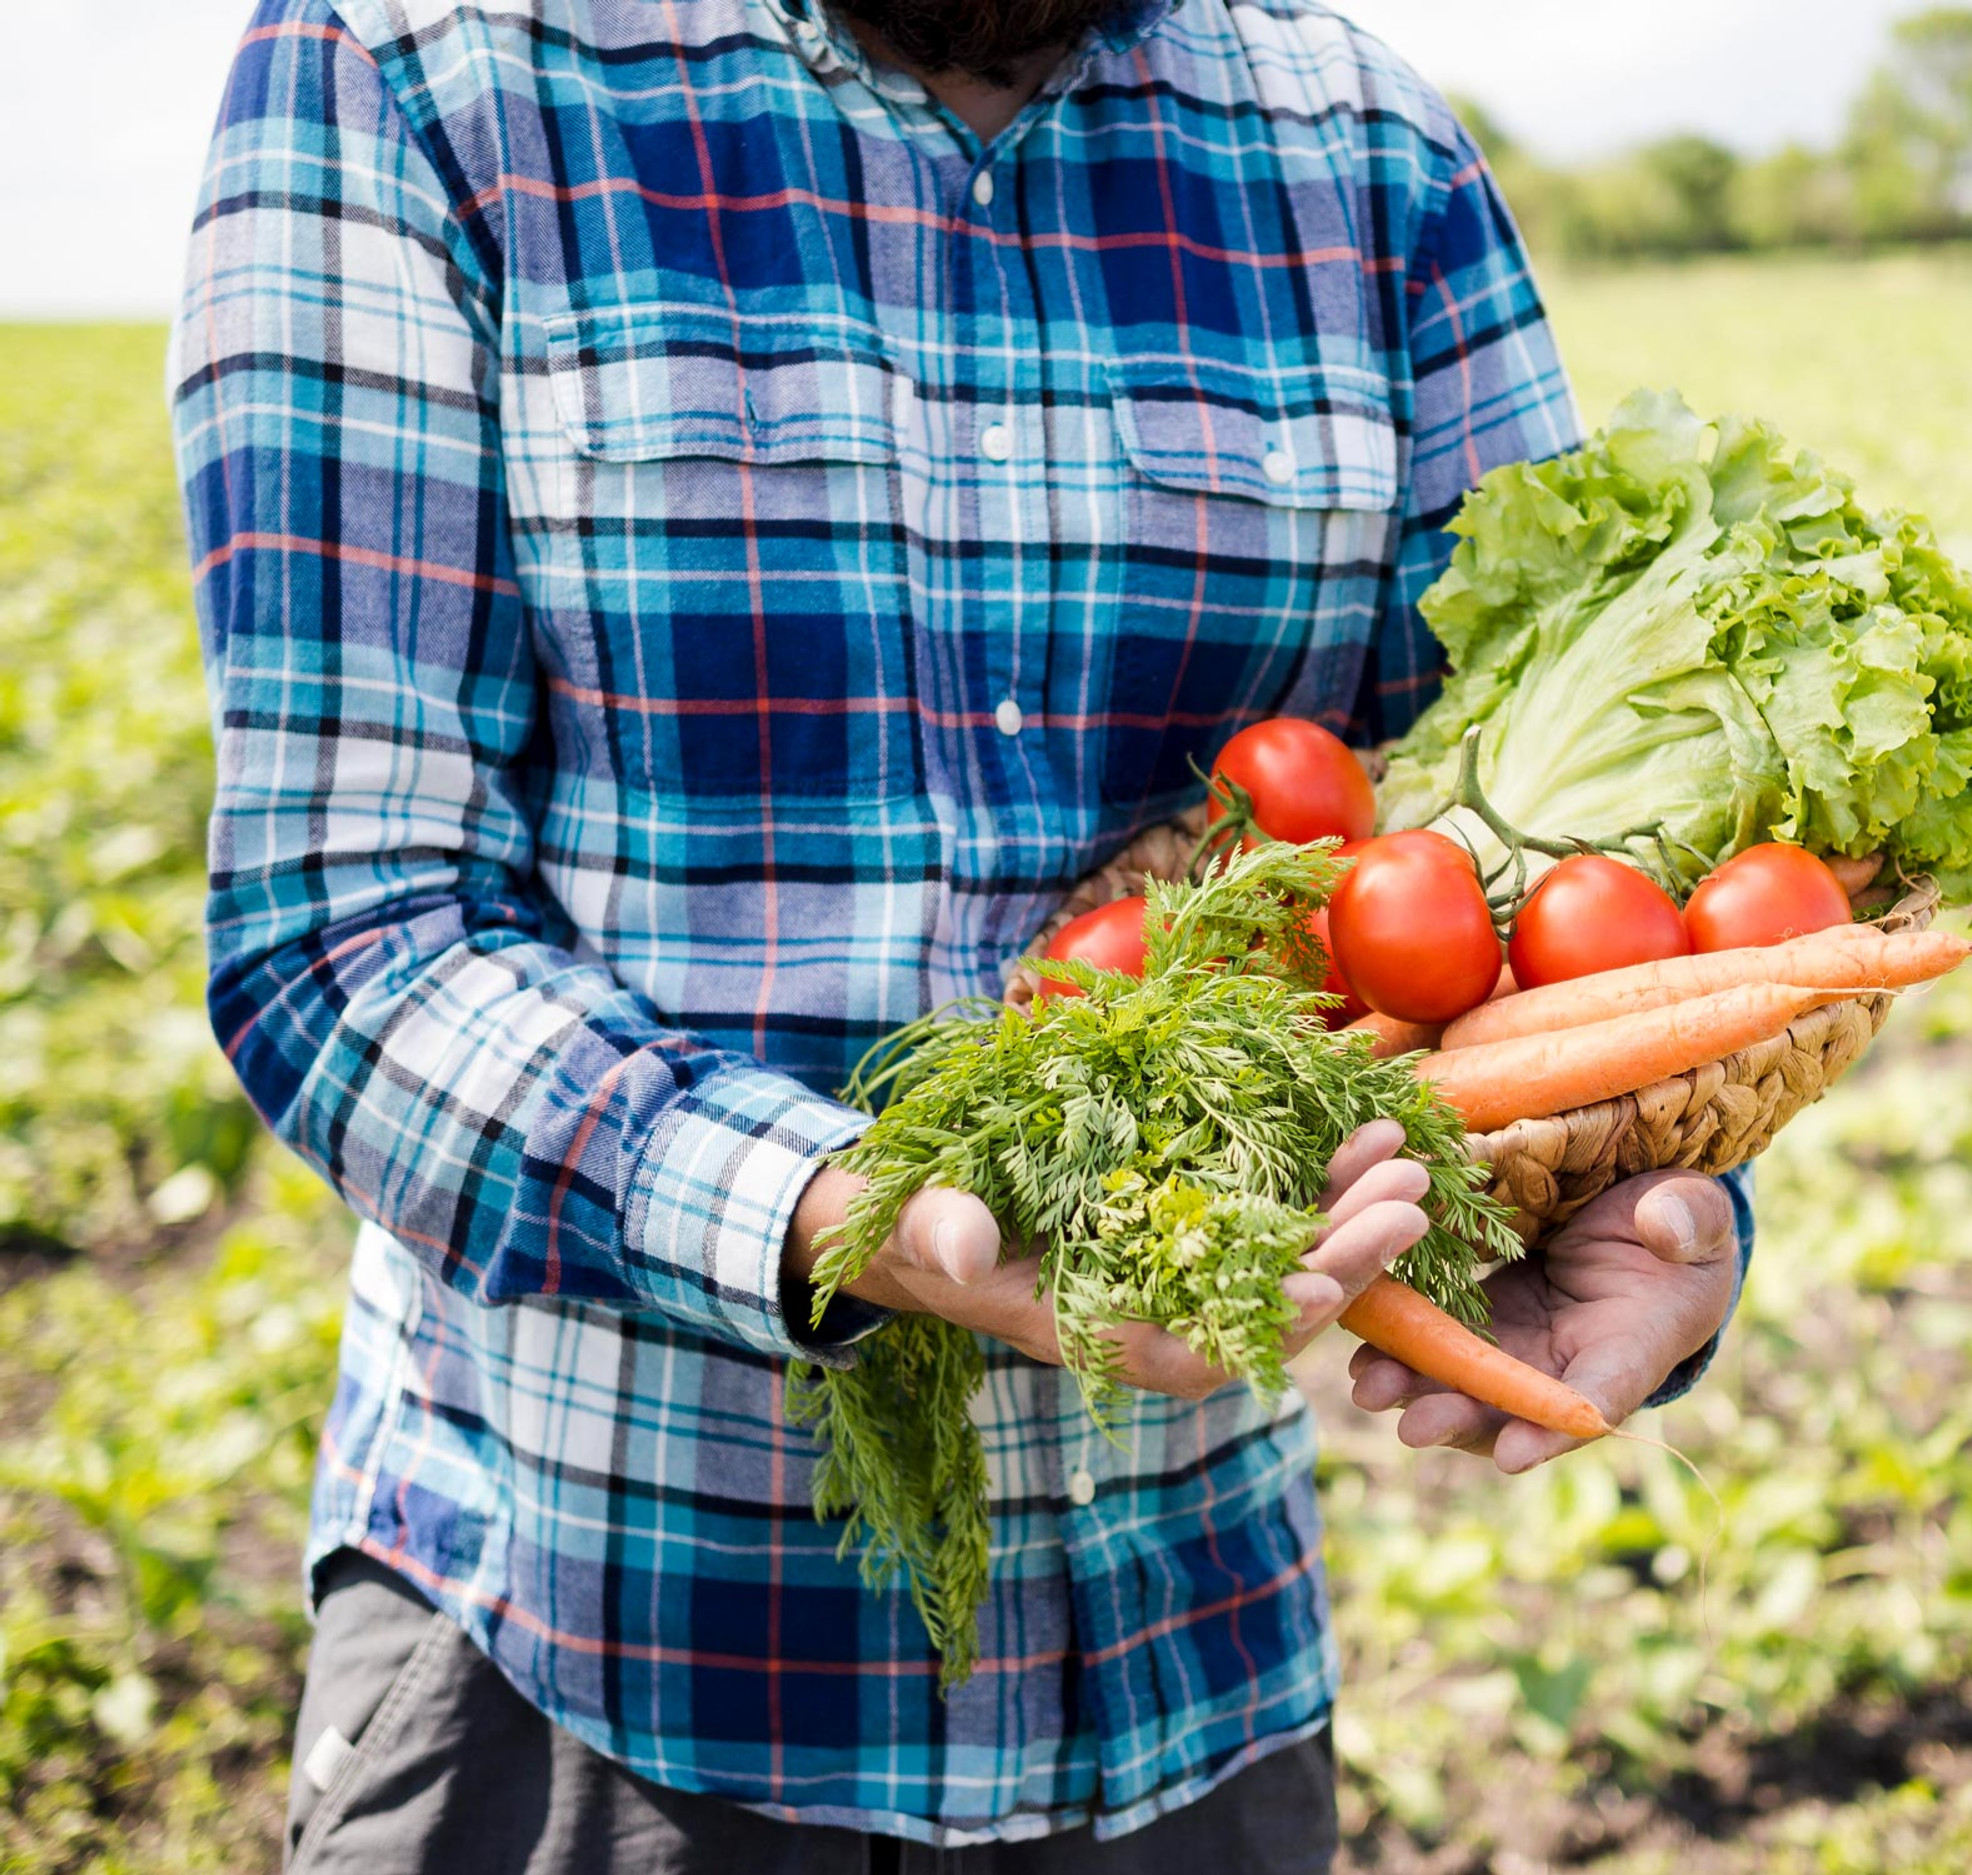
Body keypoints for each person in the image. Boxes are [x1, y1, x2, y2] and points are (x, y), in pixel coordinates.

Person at [173, 0, 1752, 1866]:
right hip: (588, 1657)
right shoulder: (420, 70)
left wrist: (1636, 1194)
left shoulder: (1367, 154)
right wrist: (848, 1217)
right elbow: (347, 930)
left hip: (1186, 1679)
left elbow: (1521, 865)